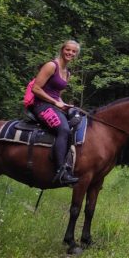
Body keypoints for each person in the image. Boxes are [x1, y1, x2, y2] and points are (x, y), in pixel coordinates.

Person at [28, 40, 81, 186]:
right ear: (62, 49)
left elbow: (57, 94)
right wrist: (55, 102)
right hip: (41, 105)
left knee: (77, 121)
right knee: (63, 129)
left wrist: (63, 104)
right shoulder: (52, 65)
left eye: (73, 51)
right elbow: (36, 89)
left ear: (76, 54)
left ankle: (71, 165)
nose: (70, 53)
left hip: (53, 105)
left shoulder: (67, 73)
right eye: (68, 50)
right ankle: (60, 172)